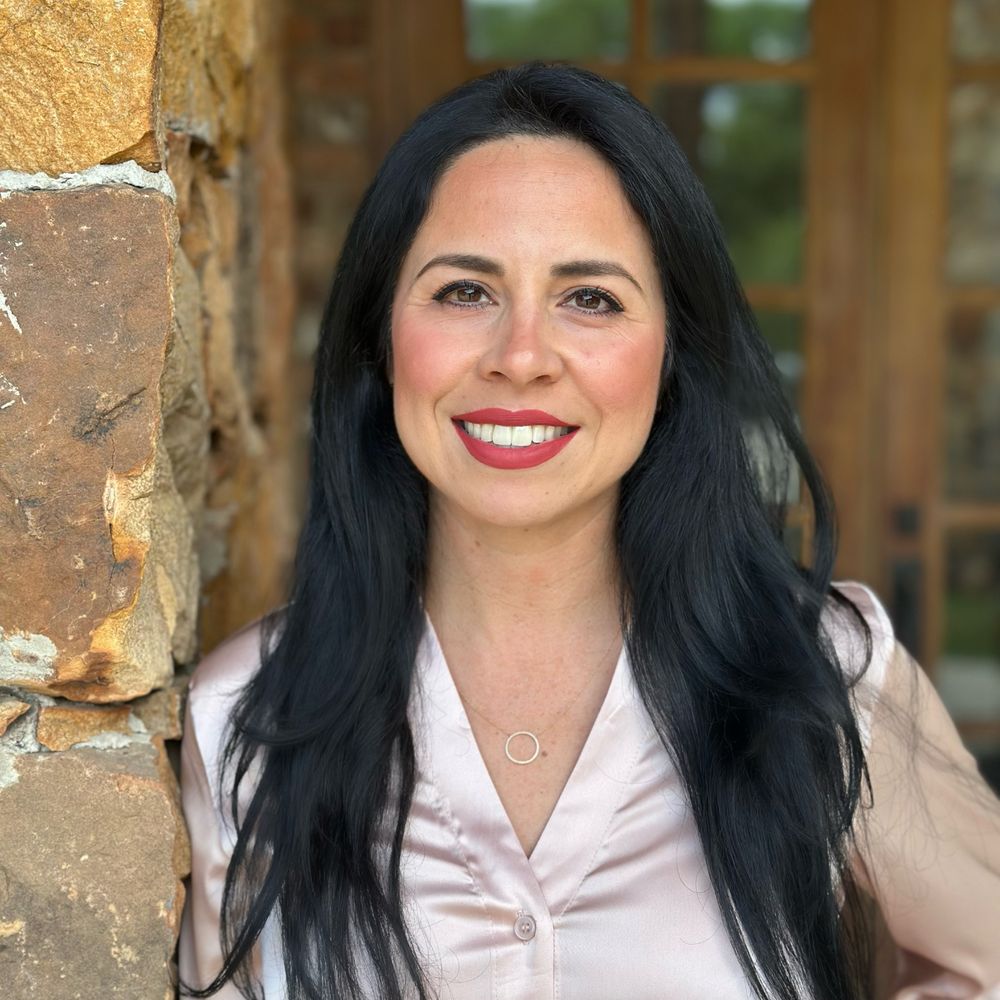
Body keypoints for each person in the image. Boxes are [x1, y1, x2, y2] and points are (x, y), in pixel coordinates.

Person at [178, 63, 1000, 1000]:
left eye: (591, 299)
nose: (522, 356)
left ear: (673, 353)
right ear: (382, 338)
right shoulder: (246, 717)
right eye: (464, 292)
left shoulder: (828, 675)